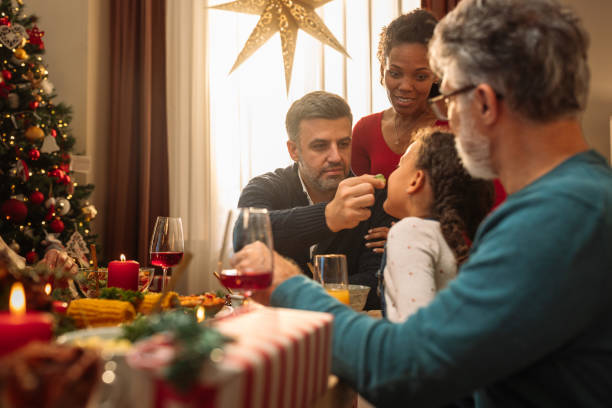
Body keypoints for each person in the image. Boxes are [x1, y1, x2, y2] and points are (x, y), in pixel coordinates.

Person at [232, 0, 612, 405]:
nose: (443, 115)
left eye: (446, 97)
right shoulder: (581, 196)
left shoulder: (556, 218)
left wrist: (288, 287)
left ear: (482, 102)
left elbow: (406, 369)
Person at [237, 91, 394, 310]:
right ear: (294, 150)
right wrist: (329, 216)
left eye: (343, 144)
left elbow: (377, 284)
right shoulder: (265, 187)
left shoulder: (375, 198)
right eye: (320, 146)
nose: (336, 157)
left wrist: (293, 292)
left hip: (346, 331)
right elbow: (244, 237)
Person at [381, 128, 494, 322]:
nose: (392, 173)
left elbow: (416, 325)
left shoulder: (409, 232)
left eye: (399, 166)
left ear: (416, 180)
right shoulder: (450, 236)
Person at [351, 10, 441, 180]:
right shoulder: (364, 131)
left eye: (420, 76)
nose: (405, 86)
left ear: (436, 74)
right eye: (395, 74)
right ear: (381, 69)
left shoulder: (453, 130)